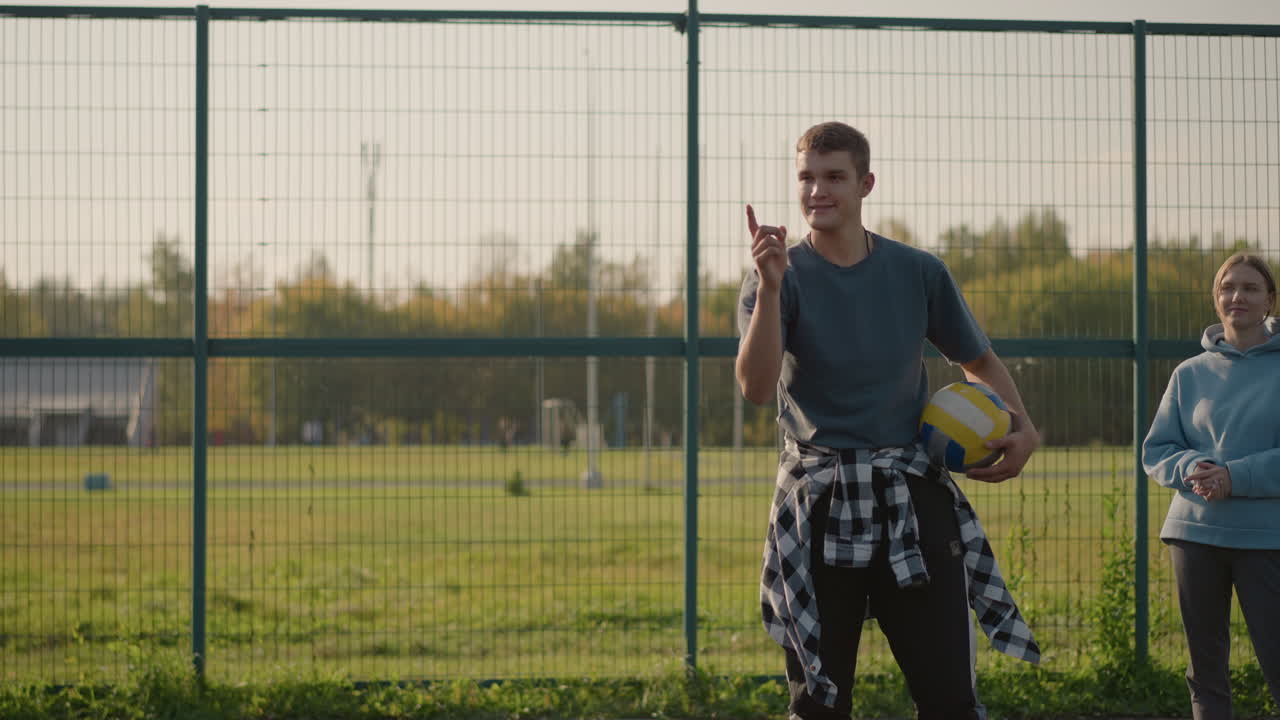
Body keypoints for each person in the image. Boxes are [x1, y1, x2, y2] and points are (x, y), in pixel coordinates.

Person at [736, 121, 1042, 720]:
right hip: (818, 504)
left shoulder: (918, 272)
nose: (817, 190)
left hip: (910, 491)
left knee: (950, 697)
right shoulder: (776, 273)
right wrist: (771, 291)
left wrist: (1022, 427)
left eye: (834, 177)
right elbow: (754, 386)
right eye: (806, 177)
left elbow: (976, 359)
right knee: (819, 704)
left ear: (866, 183)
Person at [1142, 252, 1280, 720]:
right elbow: (1157, 449)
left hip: (1266, 538)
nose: (1236, 296)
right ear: (1215, 299)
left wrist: (1234, 476)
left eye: (1250, 288)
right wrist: (1194, 466)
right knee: (1205, 671)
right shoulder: (1189, 373)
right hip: (1193, 534)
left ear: (1270, 301)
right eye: (1227, 287)